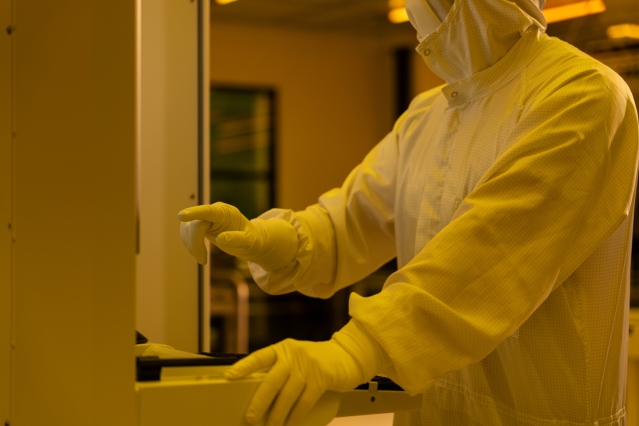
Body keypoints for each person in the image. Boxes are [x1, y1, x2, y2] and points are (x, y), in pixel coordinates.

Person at [178, 0, 639, 424]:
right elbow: (350, 221)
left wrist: (358, 348)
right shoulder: (427, 115)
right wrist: (268, 239)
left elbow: (490, 257)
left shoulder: (582, 93)